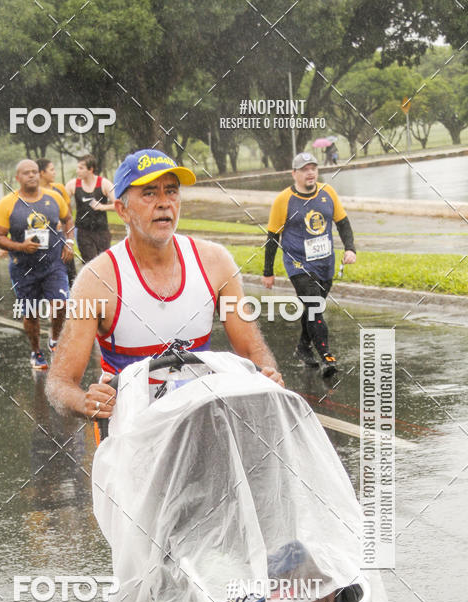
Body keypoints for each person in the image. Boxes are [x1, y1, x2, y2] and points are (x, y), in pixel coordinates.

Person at [47, 148, 283, 419]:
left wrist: (268, 375)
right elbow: (60, 383)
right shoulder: (96, 281)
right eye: (149, 193)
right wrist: (85, 401)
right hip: (131, 433)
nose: (164, 203)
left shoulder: (216, 263)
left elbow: (253, 350)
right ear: (122, 210)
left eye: (171, 191)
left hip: (199, 423)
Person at [261, 151, 356, 377]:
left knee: (314, 309)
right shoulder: (283, 200)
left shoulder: (328, 192)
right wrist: (268, 272)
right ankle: (326, 356)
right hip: (298, 265)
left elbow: (343, 223)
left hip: (325, 263)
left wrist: (350, 248)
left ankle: (303, 348)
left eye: (313, 168)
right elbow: (272, 238)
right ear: (294, 174)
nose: (310, 172)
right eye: (304, 169)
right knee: (314, 306)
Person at [0, 159, 72, 370]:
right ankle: (36, 351)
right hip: (23, 268)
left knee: (61, 304)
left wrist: (69, 242)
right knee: (31, 314)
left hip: (53, 264)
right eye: (26, 173)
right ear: (17, 178)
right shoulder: (7, 203)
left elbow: (68, 219)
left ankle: (54, 340)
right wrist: (20, 246)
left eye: (35, 172)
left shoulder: (54, 197)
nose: (32, 176)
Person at [65, 154, 115, 263]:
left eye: (81, 168)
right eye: (77, 168)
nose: (78, 171)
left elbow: (118, 205)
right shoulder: (73, 185)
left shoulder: (104, 184)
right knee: (90, 263)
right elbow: (61, 203)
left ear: (90, 169)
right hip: (83, 231)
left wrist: (102, 207)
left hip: (101, 230)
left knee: (104, 263)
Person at [37, 158, 77, 289]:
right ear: (42, 173)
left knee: (71, 276)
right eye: (51, 170)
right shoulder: (33, 193)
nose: (54, 173)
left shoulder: (59, 189)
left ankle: (73, 305)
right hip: (43, 242)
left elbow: (68, 216)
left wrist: (69, 241)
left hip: (61, 239)